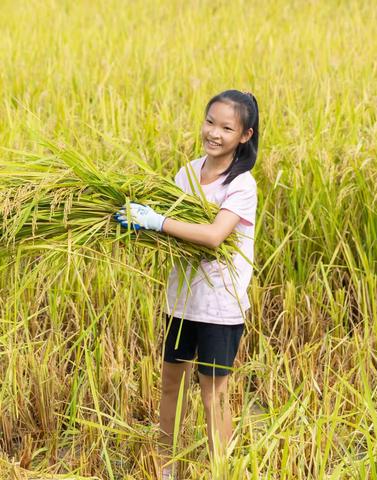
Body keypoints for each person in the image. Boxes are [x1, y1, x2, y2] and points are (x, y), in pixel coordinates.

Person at [115, 89, 259, 479]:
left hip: (219, 306)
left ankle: (220, 471)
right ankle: (167, 469)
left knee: (214, 395)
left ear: (244, 135)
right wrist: (135, 223)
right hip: (181, 301)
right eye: (210, 122)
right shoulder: (187, 173)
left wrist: (156, 220)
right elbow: (175, 235)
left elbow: (214, 235)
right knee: (170, 386)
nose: (214, 133)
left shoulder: (242, 185)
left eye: (226, 128)